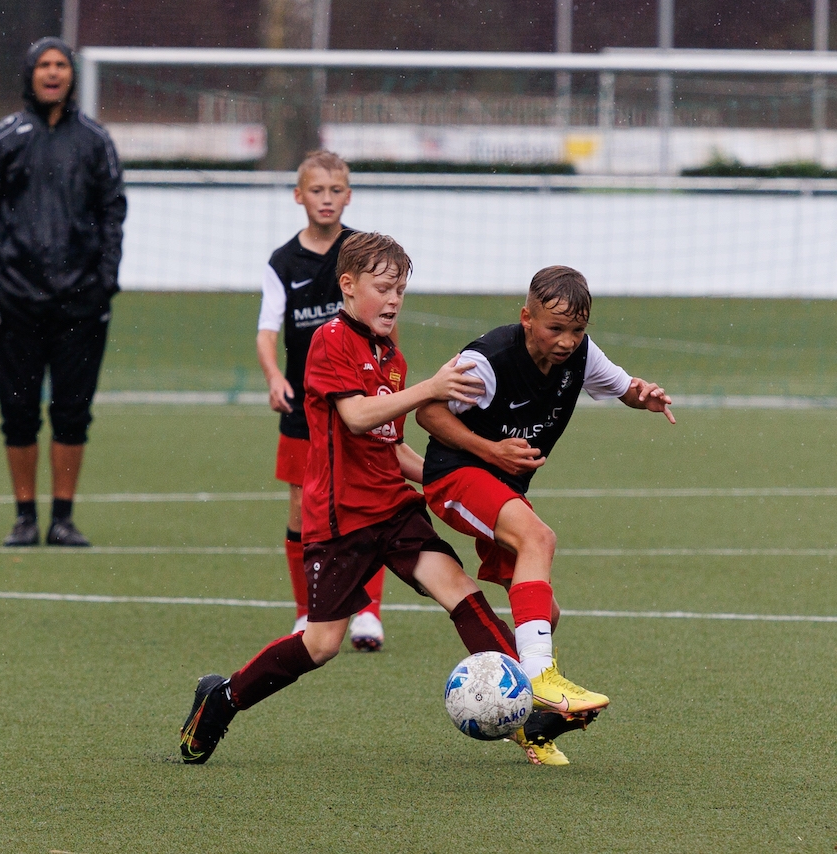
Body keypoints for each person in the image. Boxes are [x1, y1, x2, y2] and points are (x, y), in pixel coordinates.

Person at [180, 232, 522, 765]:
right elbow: (357, 416)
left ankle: (531, 706)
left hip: (393, 507)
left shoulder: (391, 356)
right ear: (348, 284)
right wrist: (431, 389)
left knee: (458, 589)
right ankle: (222, 699)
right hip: (341, 518)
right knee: (321, 645)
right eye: (383, 288)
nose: (393, 300)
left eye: (401, 290)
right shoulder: (331, 339)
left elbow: (393, 446)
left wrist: (465, 473)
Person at [416, 264, 676, 766]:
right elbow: (427, 410)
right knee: (539, 538)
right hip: (455, 477)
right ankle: (538, 679)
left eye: (577, 329)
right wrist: (490, 450)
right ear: (527, 318)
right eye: (555, 328)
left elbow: (623, 386)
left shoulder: (581, 355)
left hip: (502, 489)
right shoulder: (488, 360)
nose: (567, 341)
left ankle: (526, 725)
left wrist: (642, 397)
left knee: (544, 616)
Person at [0, 36, 127, 548]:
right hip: (16, 300)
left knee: (73, 412)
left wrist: (104, 281)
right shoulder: (3, 138)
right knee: (18, 413)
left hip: (82, 302)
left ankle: (63, 519)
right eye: (44, 65)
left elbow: (113, 214)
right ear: (30, 74)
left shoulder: (96, 140)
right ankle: (24, 518)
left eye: (61, 65)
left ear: (72, 75)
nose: (53, 73)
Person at [256, 151, 387, 650]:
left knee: (369, 501)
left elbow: (383, 316)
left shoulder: (362, 252)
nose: (326, 199)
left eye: (335, 190)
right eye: (317, 190)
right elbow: (268, 330)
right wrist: (274, 376)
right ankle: (306, 611)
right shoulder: (283, 262)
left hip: (358, 399)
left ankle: (367, 614)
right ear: (299, 196)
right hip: (304, 403)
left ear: (348, 196)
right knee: (302, 509)